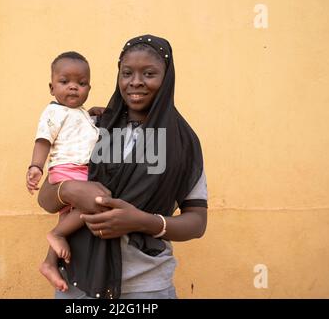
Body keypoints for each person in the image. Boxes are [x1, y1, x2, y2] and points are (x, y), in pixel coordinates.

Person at [38, 35, 208, 299]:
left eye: (149, 74)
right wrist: (69, 190)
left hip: (147, 287)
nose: (136, 82)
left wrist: (142, 221)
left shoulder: (180, 142)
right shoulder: (95, 127)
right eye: (127, 73)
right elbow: (47, 199)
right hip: (77, 283)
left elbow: (197, 222)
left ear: (167, 78)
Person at [26, 51, 101, 292]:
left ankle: (49, 263)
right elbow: (43, 141)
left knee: (70, 217)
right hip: (68, 171)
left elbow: (79, 130)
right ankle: (56, 234)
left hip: (78, 171)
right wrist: (36, 166)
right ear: (51, 87)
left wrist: (92, 114)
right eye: (64, 81)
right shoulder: (53, 112)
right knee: (97, 199)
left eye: (81, 83)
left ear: (89, 87)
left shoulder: (79, 113)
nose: (73, 88)